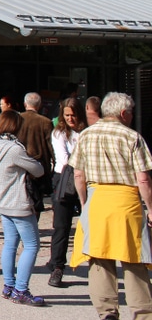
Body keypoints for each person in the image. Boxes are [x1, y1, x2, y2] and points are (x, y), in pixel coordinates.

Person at [69, 92, 152, 320]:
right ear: (124, 113)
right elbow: (143, 179)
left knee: (99, 258)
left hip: (97, 200)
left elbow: (78, 174)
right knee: (134, 259)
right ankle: (142, 313)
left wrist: (85, 203)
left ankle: (107, 312)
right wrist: (151, 208)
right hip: (126, 202)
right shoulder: (132, 137)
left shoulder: (85, 136)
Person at [0, 110, 46, 306]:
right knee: (32, 245)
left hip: (2, 201)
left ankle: (8, 285)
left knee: (10, 243)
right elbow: (38, 170)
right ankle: (21, 289)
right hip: (18, 203)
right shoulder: (14, 149)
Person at [46, 96, 85, 287]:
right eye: (67, 115)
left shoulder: (86, 131)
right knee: (62, 226)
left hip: (85, 178)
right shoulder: (60, 133)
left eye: (73, 115)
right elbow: (64, 159)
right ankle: (57, 266)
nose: (70, 119)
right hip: (65, 178)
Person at [19, 92, 54, 214]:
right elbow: (51, 146)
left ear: (25, 104)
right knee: (37, 200)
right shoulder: (46, 122)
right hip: (39, 165)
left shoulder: (18, 119)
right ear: (39, 106)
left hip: (19, 164)